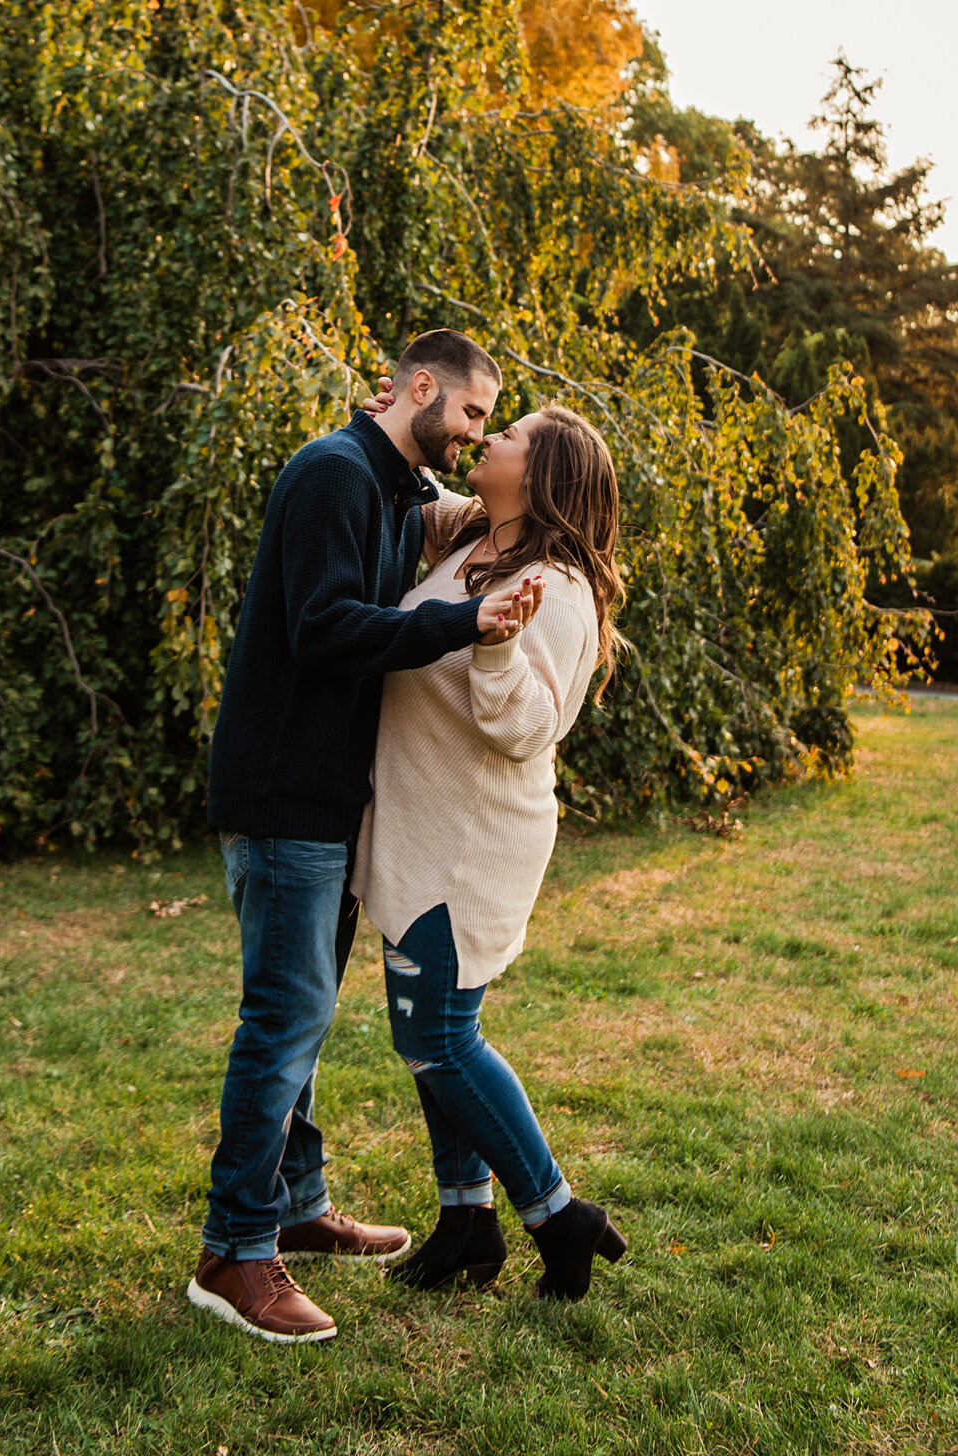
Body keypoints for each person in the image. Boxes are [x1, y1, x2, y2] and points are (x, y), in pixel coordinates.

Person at [189, 329, 539, 1344]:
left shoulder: (390, 491)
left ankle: (296, 1204)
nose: (475, 433)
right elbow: (326, 627)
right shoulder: (332, 474)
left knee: (301, 1019)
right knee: (283, 1018)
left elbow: (464, 518)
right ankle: (233, 1249)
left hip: (332, 796)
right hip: (283, 793)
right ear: (419, 387)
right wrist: (465, 626)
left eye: (488, 425)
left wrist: (530, 509)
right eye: (471, 413)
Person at [351, 391, 629, 1302]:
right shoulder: (473, 540)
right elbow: (390, 485)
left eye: (505, 435)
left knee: (435, 1035)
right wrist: (396, 417)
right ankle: (466, 1221)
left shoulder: (557, 589)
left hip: (470, 844)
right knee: (434, 1036)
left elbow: (530, 727)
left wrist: (497, 648)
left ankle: (557, 1215)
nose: (488, 437)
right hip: (423, 827)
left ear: (540, 475)